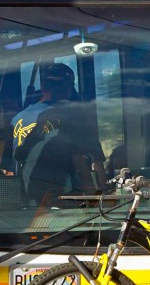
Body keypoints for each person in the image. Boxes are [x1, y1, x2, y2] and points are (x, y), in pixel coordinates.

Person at [9, 62, 104, 202]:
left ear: (42, 86)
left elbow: (10, 167)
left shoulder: (17, 119)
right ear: (69, 89)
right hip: (63, 199)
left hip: (27, 200)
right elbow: (87, 164)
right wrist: (98, 198)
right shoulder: (73, 119)